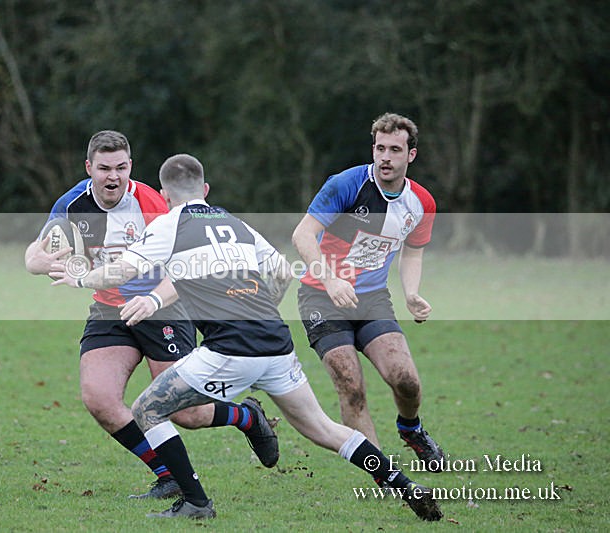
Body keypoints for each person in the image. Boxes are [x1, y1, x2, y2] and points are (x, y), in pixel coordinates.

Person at [50, 153, 443, 521]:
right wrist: (261, 306)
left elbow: (121, 273)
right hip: (276, 344)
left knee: (147, 410)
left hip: (228, 350)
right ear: (205, 190)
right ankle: (403, 484)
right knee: (325, 429)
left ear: (165, 195)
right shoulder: (237, 223)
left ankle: (195, 502)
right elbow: (283, 273)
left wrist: (80, 276)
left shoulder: (168, 224)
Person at [25, 131, 279, 500]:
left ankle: (247, 416)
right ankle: (168, 475)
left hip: (166, 308)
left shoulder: (155, 206)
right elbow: (38, 248)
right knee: (100, 399)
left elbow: (189, 268)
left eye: (121, 168)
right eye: (104, 169)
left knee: (185, 414)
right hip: (109, 310)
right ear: (88, 168)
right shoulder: (74, 203)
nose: (113, 177)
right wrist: (35, 261)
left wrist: (154, 301)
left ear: (131, 166)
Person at [291, 113, 446, 474]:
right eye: (380, 148)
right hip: (321, 297)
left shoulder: (421, 202)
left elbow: (413, 250)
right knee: (351, 386)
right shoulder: (346, 185)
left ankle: (411, 429)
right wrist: (330, 279)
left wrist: (411, 293)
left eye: (395, 149)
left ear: (411, 155)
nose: (385, 157)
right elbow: (302, 235)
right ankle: (384, 474)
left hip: (373, 298)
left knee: (406, 380)